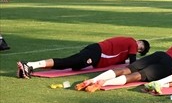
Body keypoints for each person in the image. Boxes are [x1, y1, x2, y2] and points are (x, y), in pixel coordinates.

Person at [74, 41, 172, 91]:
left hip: (161, 55)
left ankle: (92, 80)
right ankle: (103, 83)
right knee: (138, 76)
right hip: (169, 65)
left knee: (127, 69)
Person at [17, 36, 150, 78]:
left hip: (96, 55)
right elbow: (132, 62)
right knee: (68, 61)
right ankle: (30, 64)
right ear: (138, 41)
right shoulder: (132, 42)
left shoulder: (125, 52)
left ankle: (30, 67)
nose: (139, 47)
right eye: (141, 45)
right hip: (96, 51)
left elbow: (125, 59)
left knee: (70, 65)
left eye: (141, 50)